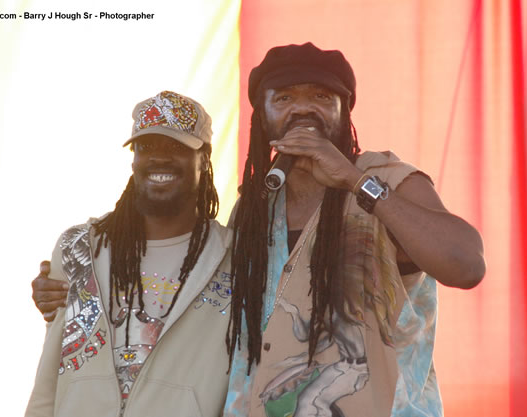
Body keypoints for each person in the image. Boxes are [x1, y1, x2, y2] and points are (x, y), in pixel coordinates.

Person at [32, 43, 486, 417]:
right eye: (284, 98)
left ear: (345, 110)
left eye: (321, 97)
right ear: (262, 116)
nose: (303, 109)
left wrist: (352, 179)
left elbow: (465, 264)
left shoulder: (384, 177)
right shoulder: (255, 210)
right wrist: (69, 295)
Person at [25, 91, 234, 417]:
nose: (159, 158)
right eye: (146, 146)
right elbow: (52, 366)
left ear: (204, 159)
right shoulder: (79, 247)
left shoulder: (234, 257)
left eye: (176, 147)